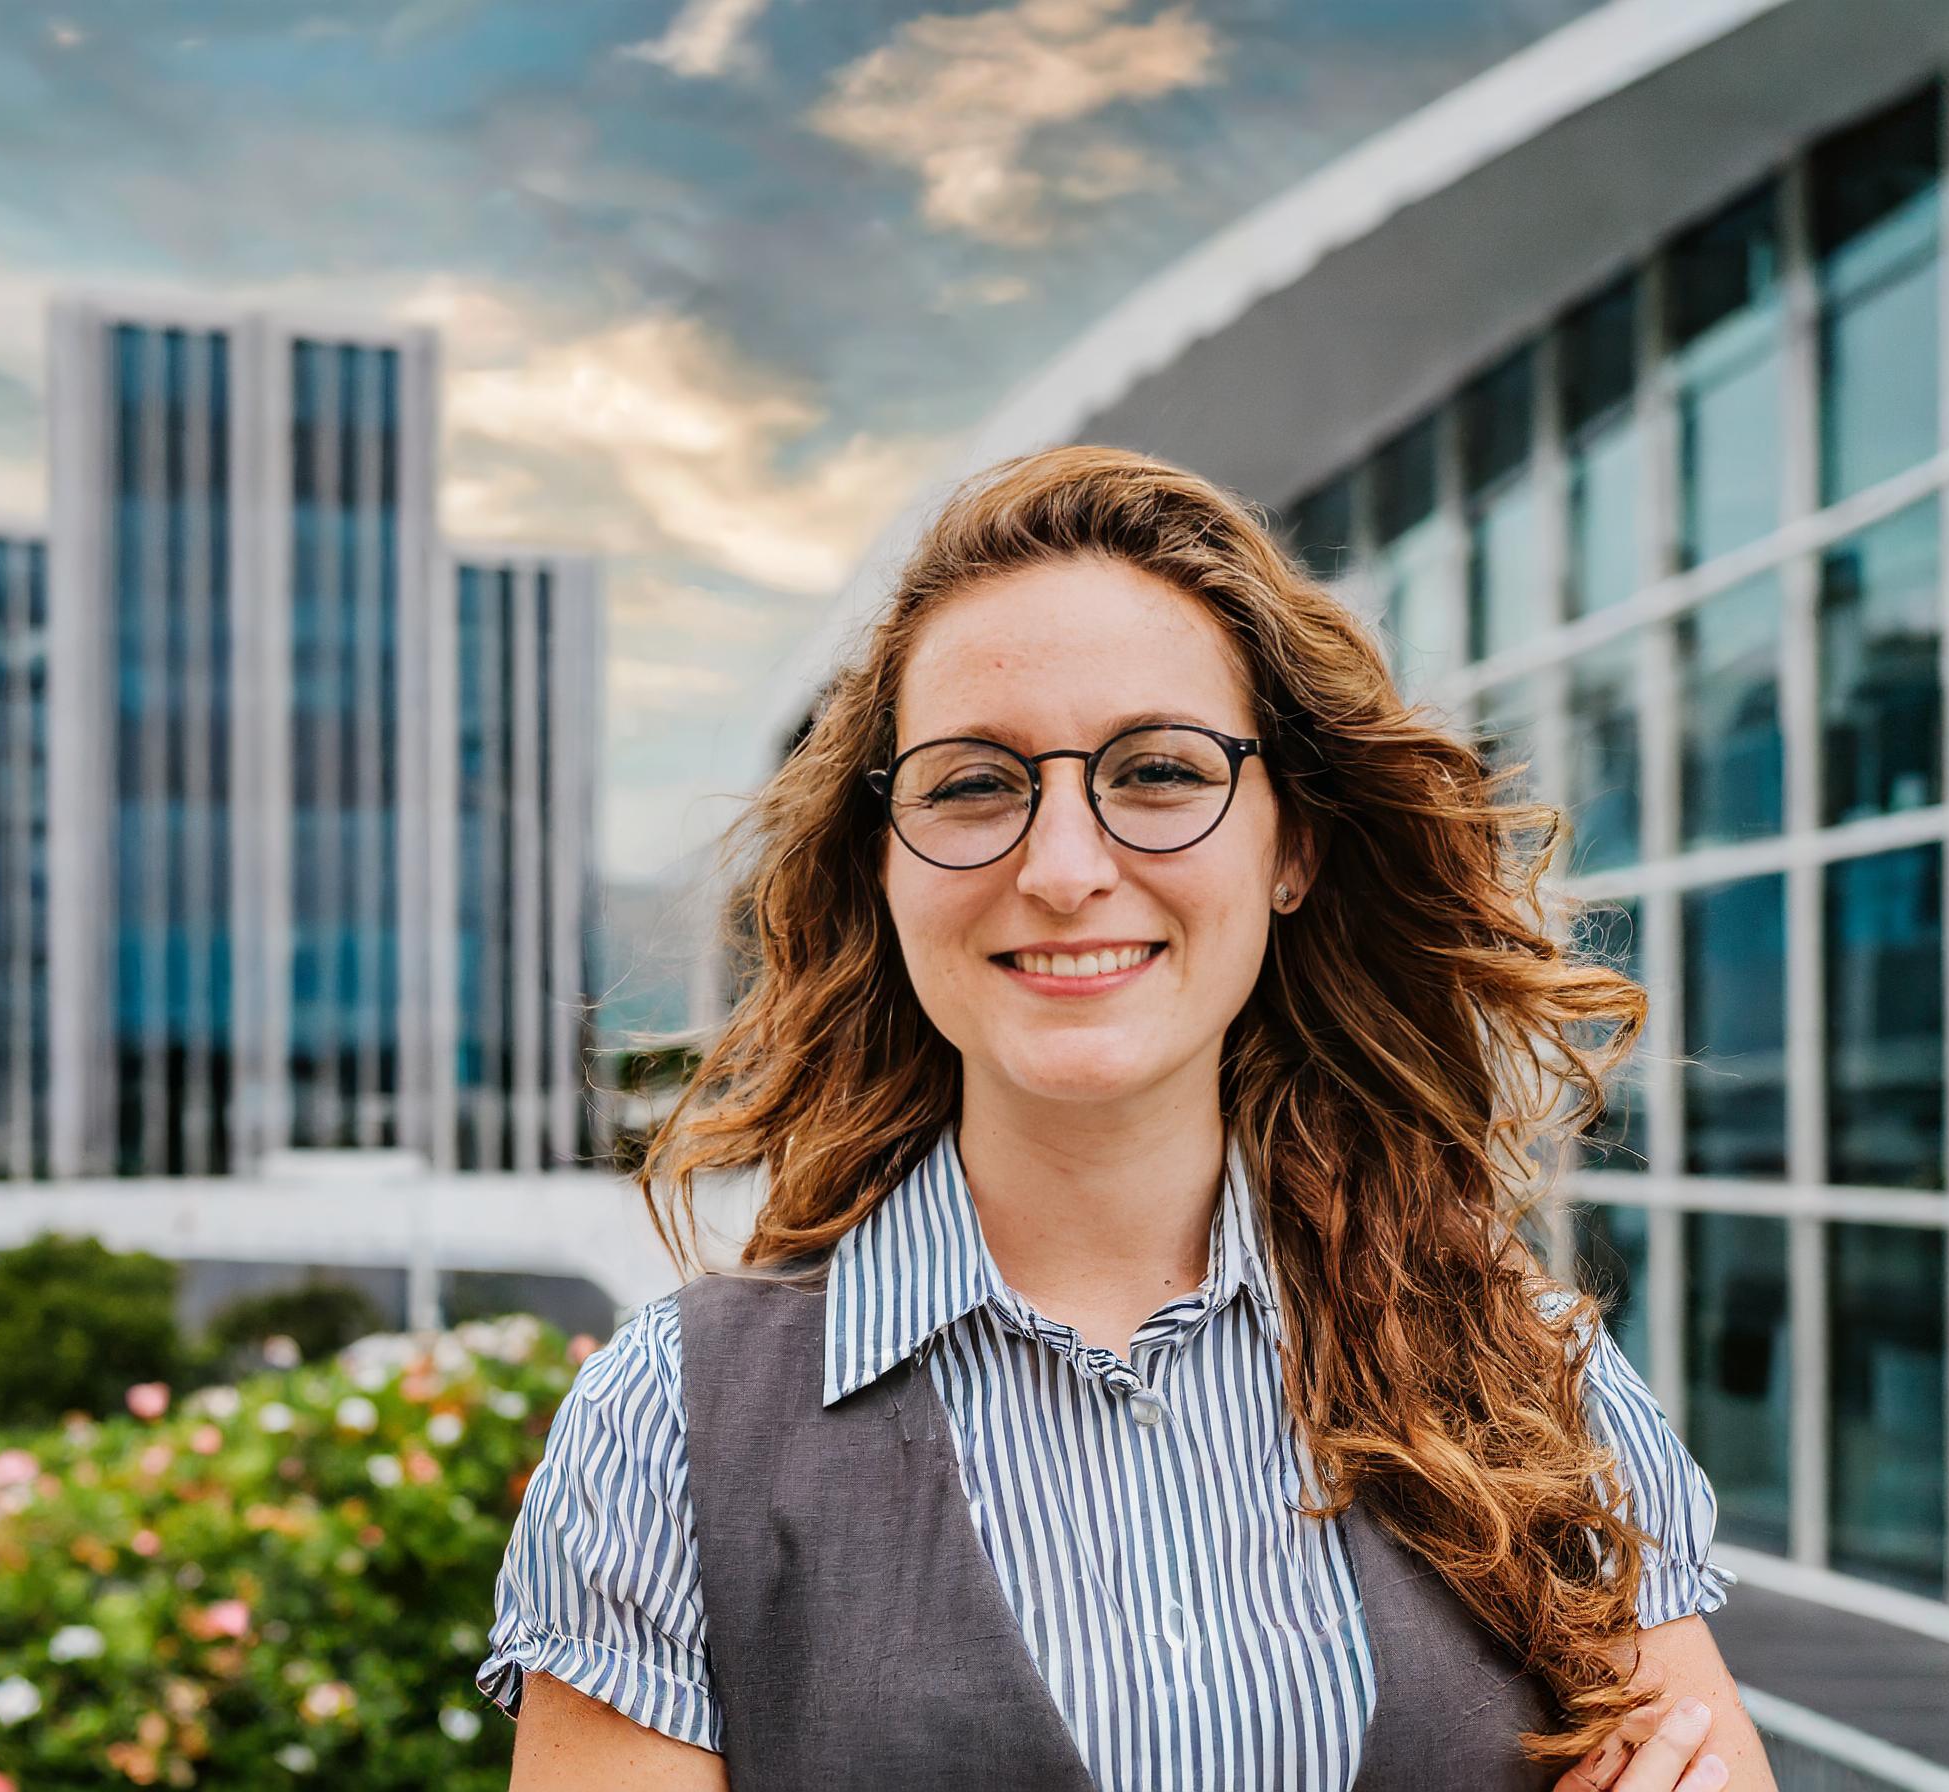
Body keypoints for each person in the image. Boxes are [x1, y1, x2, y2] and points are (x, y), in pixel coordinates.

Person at [479, 447, 1774, 1790]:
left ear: (1293, 845)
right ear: (886, 865)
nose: (1063, 868)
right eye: (973, 784)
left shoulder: (1522, 1376)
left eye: (1158, 770)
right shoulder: (673, 1428)